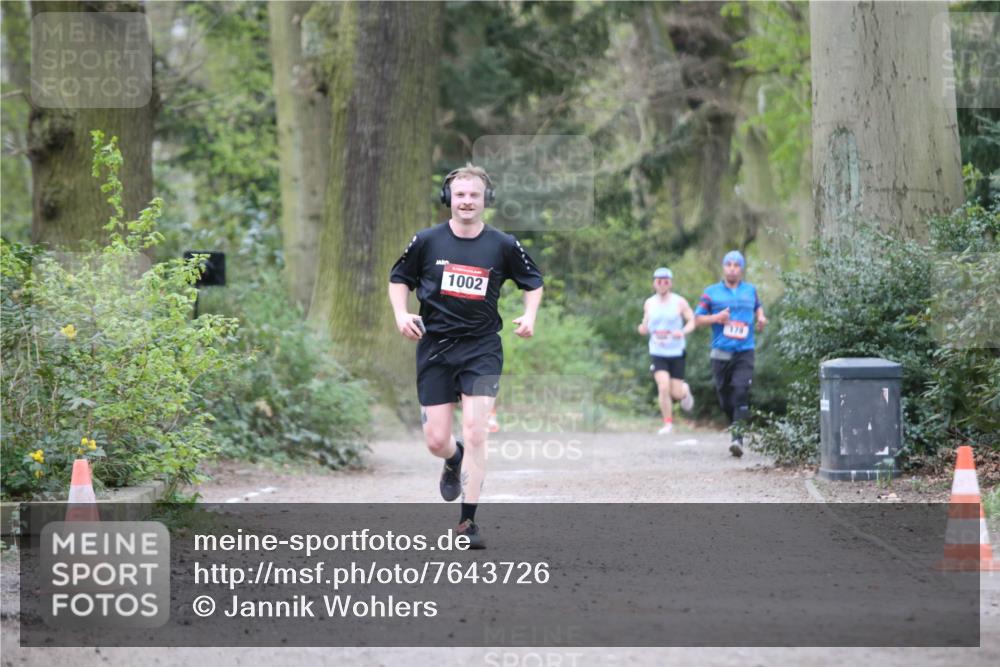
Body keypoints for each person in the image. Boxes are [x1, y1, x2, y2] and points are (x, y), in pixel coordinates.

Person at [388, 164, 544, 548]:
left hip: (481, 347)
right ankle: (452, 458)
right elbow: (399, 279)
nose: (467, 201)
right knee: (436, 440)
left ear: (486, 199)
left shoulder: (503, 244)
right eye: (460, 194)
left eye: (474, 194)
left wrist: (529, 315)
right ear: (448, 198)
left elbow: (533, 282)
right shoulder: (426, 241)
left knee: (476, 431)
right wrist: (401, 314)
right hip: (436, 347)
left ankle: (467, 522)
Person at [694, 250, 767, 457]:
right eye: (729, 265)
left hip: (745, 351)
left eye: (736, 265)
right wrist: (716, 317)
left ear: (741, 269)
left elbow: (758, 307)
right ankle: (735, 422)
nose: (732, 269)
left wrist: (761, 318)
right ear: (724, 267)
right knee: (725, 400)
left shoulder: (750, 290)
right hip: (721, 352)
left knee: (741, 391)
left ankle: (737, 439)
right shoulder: (711, 292)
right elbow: (697, 319)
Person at [637, 267, 695, 434]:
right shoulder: (649, 303)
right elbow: (645, 324)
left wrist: (682, 331)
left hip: (676, 352)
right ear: (654, 283)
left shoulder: (679, 302)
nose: (662, 284)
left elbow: (692, 320)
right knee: (663, 387)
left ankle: (685, 390)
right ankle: (668, 424)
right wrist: (642, 328)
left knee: (676, 393)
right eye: (659, 281)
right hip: (658, 352)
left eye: (665, 281)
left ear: (670, 283)